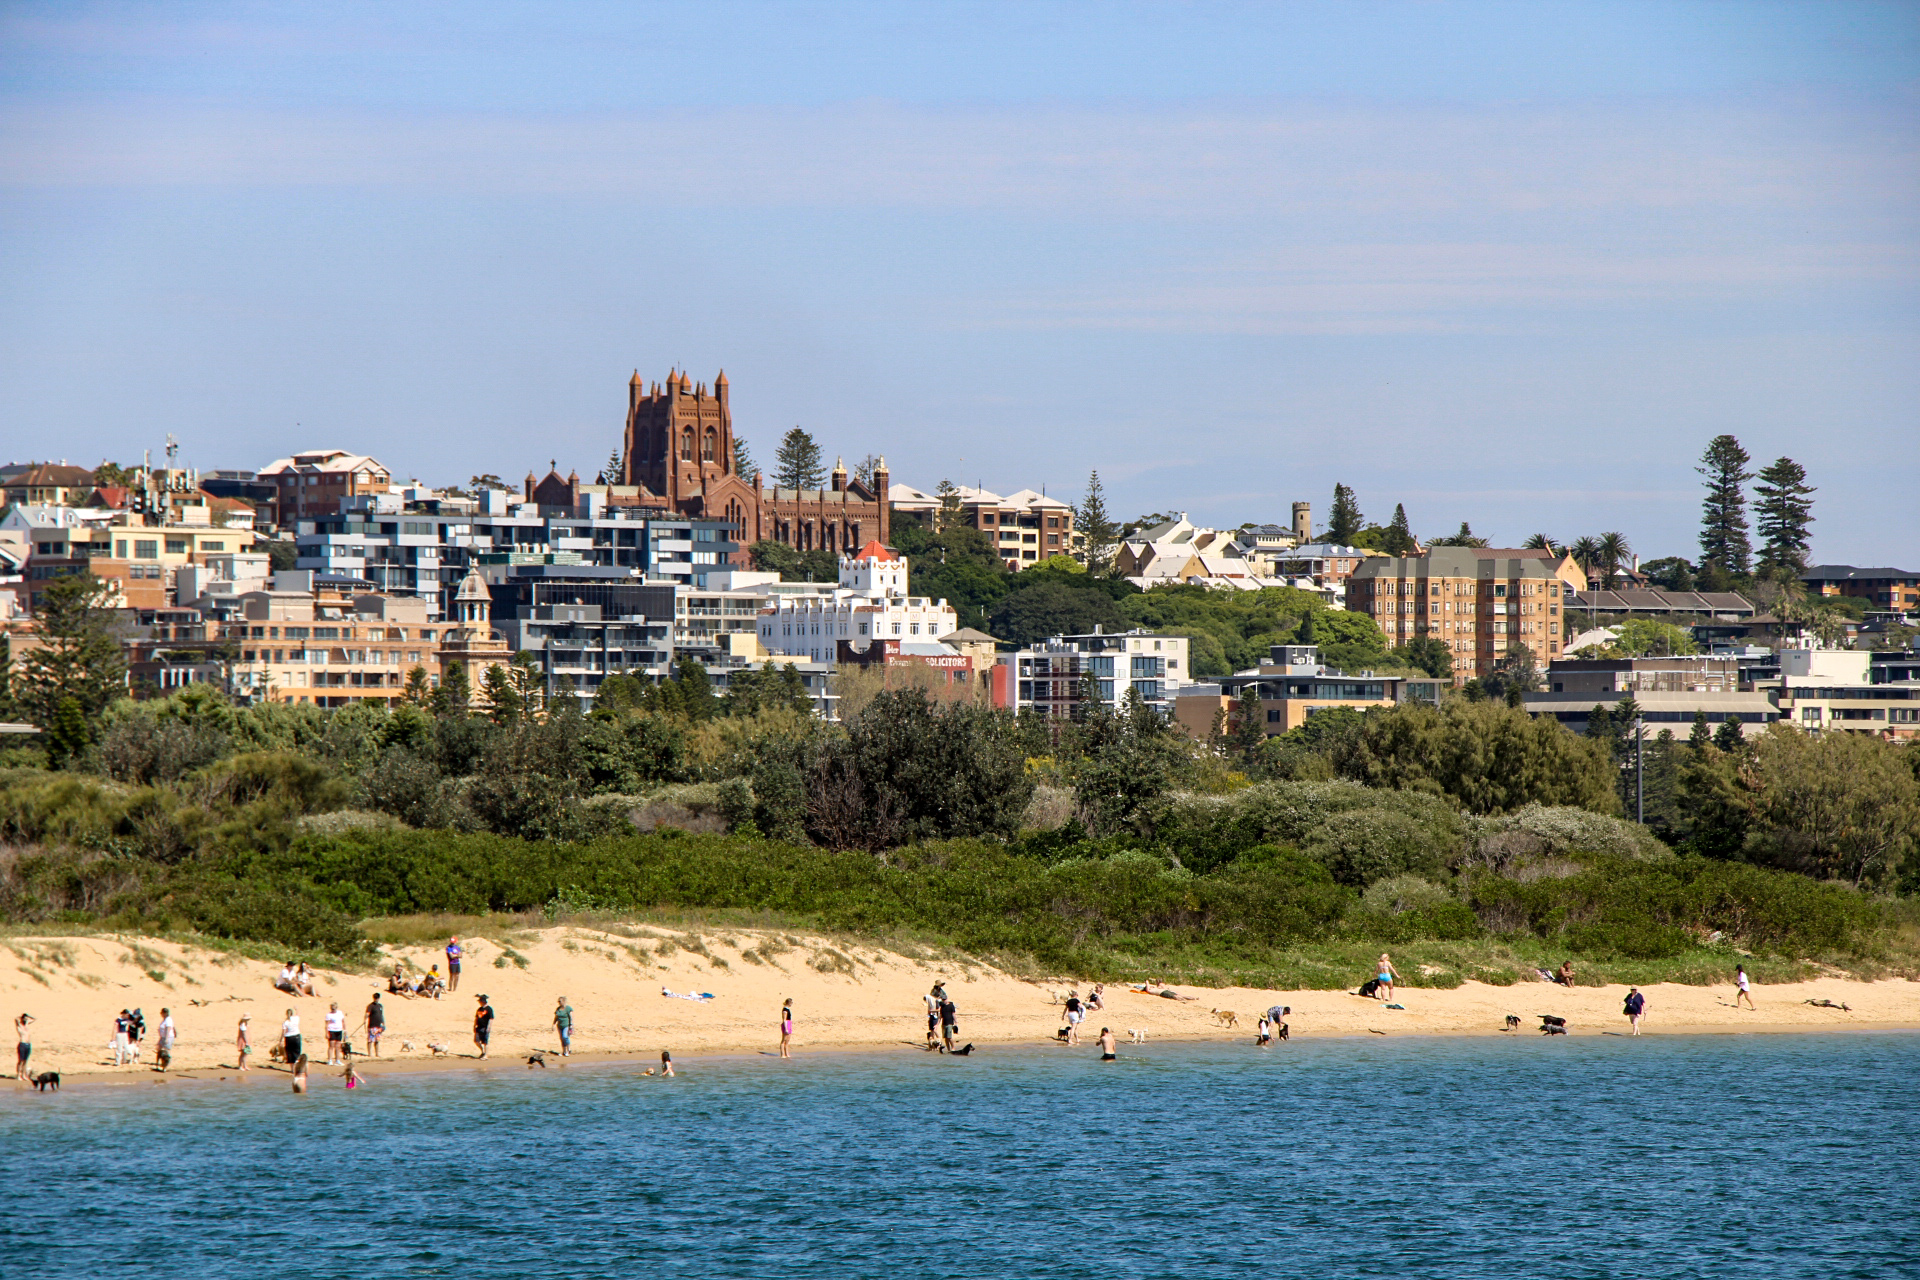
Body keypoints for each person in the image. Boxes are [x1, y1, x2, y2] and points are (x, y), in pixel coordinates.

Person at [324, 1001, 346, 1065]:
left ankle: (337, 1060)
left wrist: (345, 1030)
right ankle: (330, 1060)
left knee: (338, 1046)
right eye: (332, 1008)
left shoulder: (340, 1013)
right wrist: (326, 1033)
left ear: (336, 1007)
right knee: (331, 1046)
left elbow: (343, 1022)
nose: (332, 1010)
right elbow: (326, 1024)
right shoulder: (329, 1015)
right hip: (331, 1030)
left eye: (334, 1008)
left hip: (339, 1030)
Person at [473, 994, 494, 1059]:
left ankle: (486, 1055)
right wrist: (474, 1025)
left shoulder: (489, 1009)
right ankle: (482, 1051)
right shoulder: (479, 1009)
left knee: (485, 1042)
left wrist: (489, 1027)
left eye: (480, 1001)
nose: (479, 1003)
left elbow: (491, 1019)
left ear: (483, 1001)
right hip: (478, 1027)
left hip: (485, 1027)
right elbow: (476, 1018)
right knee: (476, 1041)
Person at [14, 1012, 32, 1082]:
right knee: (20, 1061)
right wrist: (21, 1017)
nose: (24, 1020)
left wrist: (27, 1016)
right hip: (22, 1044)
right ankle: (19, 1075)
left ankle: (24, 1075)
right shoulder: (19, 1027)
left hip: (28, 1044)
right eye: (23, 1019)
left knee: (25, 1061)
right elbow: (15, 1019)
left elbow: (34, 1019)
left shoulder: (26, 1025)